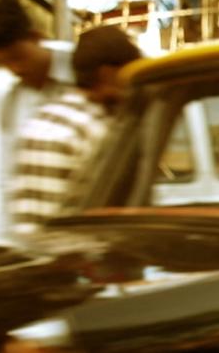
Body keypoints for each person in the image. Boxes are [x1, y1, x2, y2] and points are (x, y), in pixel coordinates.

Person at [8, 26, 141, 232]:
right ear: (107, 74)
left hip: (31, 245)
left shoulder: (41, 119)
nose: (131, 87)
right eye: (128, 75)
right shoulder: (95, 128)